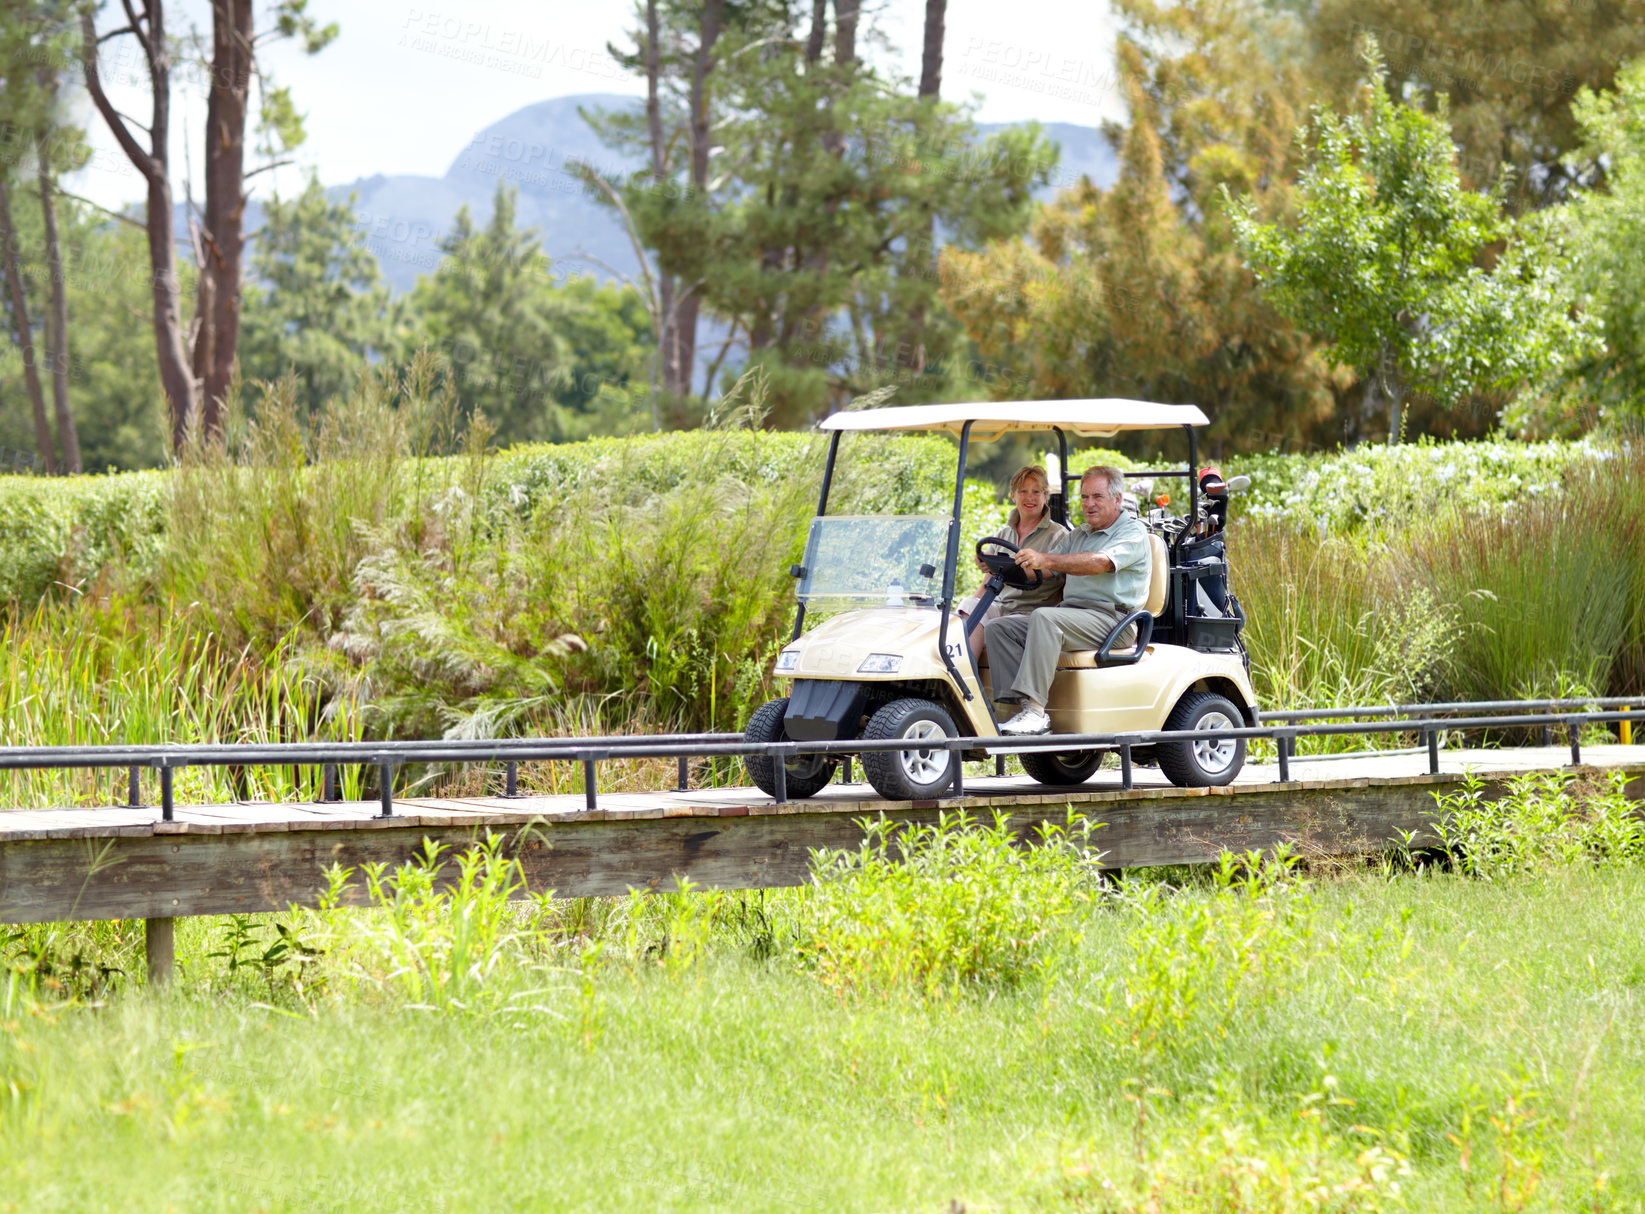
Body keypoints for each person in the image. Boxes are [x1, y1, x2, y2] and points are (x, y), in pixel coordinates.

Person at [987, 465, 1153, 736]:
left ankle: (1035, 713)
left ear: (1117, 499)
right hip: (1074, 615)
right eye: (1084, 497)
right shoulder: (1079, 534)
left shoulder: (1131, 532)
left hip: (1114, 621)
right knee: (1001, 628)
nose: (1089, 504)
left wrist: (1046, 559)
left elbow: (1099, 563)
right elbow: (1045, 568)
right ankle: (1016, 709)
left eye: (1097, 497)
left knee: (1045, 617)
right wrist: (998, 565)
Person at [965, 464, 1068, 660]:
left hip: (1035, 611)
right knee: (968, 605)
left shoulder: (1059, 535)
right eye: (1023, 491)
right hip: (1004, 607)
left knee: (998, 623)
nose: (1030, 497)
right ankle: (962, 676)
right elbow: (988, 581)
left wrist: (1001, 567)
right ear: (1013, 496)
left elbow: (1047, 572)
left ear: (1046, 497)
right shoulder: (1004, 533)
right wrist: (988, 565)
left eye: (1036, 492)